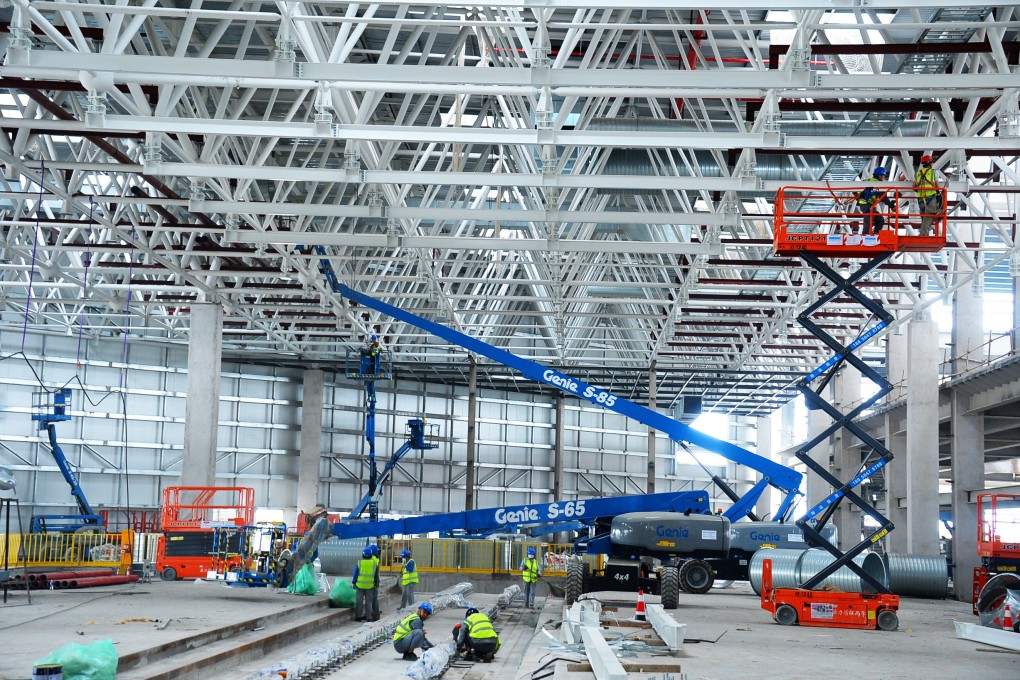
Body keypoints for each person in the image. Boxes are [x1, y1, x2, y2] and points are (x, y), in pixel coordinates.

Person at [856, 166, 895, 235]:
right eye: (883, 176)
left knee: (880, 219)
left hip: (866, 205)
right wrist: (892, 206)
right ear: (878, 175)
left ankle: (876, 233)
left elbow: (855, 190)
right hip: (867, 205)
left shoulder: (868, 180)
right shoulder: (877, 184)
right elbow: (883, 197)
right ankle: (865, 236)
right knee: (869, 220)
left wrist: (859, 197)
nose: (883, 178)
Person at [914, 154, 942, 236]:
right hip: (930, 198)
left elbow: (914, 187)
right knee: (928, 217)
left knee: (924, 218)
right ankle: (923, 235)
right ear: (930, 163)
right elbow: (937, 187)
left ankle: (924, 231)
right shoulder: (934, 172)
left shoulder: (917, 173)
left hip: (920, 198)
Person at [352, 546, 378, 622]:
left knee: (359, 602)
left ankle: (358, 617)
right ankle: (369, 617)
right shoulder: (374, 563)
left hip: (359, 586)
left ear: (363, 554)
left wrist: (354, 582)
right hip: (370, 586)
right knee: (369, 602)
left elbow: (355, 574)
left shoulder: (359, 562)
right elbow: (376, 576)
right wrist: (376, 584)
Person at [369, 543, 382, 621]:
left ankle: (375, 615)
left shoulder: (373, 559)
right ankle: (375, 614)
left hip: (373, 581)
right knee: (374, 598)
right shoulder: (376, 558)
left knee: (373, 599)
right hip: (376, 581)